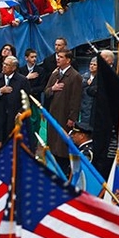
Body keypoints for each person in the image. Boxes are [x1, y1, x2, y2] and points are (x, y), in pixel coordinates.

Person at [43, 49, 82, 177]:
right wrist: (52, 89)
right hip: (53, 114)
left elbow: (76, 99)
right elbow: (46, 92)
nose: (57, 59)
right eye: (57, 56)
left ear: (68, 60)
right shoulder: (55, 74)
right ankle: (54, 169)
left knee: (62, 146)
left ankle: (64, 172)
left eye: (60, 57)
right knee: (53, 143)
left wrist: (72, 118)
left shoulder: (75, 76)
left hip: (65, 116)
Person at [0, 55, 28, 143]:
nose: (4, 66)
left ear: (14, 68)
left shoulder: (22, 80)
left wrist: (21, 112)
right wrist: (0, 91)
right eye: (4, 64)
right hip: (0, 116)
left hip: (15, 116)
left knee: (13, 143)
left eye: (7, 65)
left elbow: (27, 99)